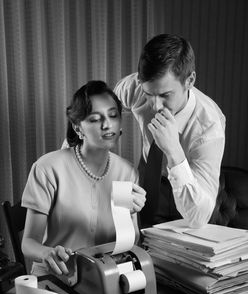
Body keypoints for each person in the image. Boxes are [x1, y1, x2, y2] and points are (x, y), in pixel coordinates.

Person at [21, 80, 146, 277]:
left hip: (105, 279)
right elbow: (28, 243)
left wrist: (132, 217)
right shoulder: (47, 168)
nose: (107, 125)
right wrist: (47, 252)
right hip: (56, 278)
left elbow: (132, 242)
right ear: (78, 128)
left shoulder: (128, 173)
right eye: (95, 119)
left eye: (113, 116)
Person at [114, 33, 225, 229]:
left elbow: (198, 217)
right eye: (149, 94)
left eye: (165, 95)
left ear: (189, 80)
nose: (156, 106)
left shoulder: (209, 127)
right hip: (147, 181)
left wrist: (173, 149)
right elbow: (97, 109)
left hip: (192, 195)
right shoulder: (135, 87)